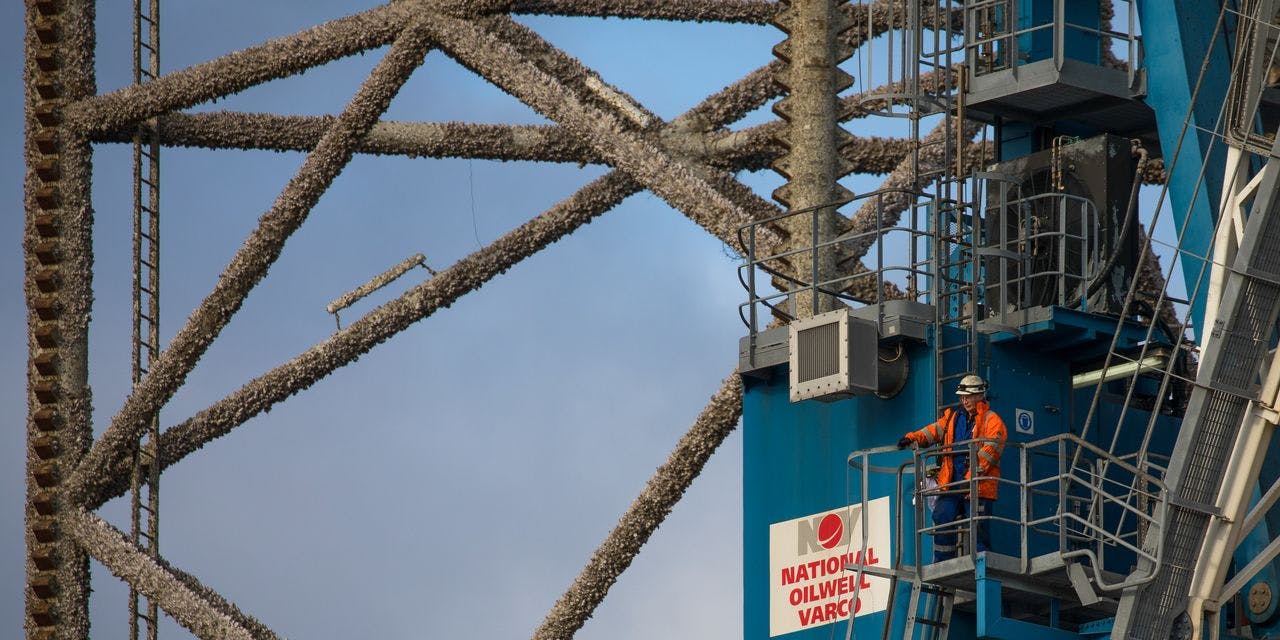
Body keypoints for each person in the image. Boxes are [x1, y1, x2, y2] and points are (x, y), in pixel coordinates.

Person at [897, 374, 1008, 562]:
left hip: (978, 486)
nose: (964, 400)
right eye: (962, 397)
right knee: (942, 516)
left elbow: (990, 451)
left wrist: (972, 476)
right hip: (952, 483)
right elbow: (932, 432)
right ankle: (943, 562)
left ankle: (982, 564)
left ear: (980, 395)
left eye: (968, 396)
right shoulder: (952, 418)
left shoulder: (992, 421)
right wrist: (913, 438)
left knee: (978, 526)